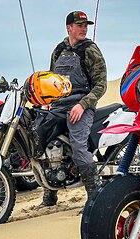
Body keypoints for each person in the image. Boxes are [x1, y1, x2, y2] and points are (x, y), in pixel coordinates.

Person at [40, 10, 107, 206]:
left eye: (86, 25)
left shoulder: (90, 50)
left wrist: (82, 104)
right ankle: (49, 195)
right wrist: (46, 100)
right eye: (80, 25)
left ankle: (94, 197)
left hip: (81, 106)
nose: (84, 29)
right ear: (69, 27)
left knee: (79, 147)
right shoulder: (58, 50)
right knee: (41, 140)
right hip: (58, 105)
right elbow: (51, 79)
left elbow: (101, 84)